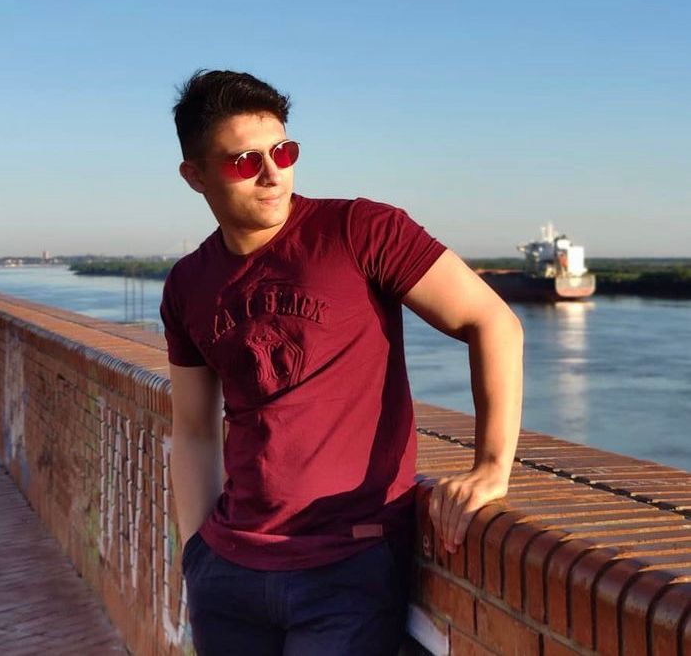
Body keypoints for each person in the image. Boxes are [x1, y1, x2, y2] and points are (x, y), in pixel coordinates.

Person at [160, 69, 523, 655]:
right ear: (194, 176)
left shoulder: (360, 231)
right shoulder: (187, 284)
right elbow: (194, 428)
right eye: (244, 162)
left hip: (347, 566)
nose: (273, 173)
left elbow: (493, 322)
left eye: (283, 151)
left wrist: (491, 466)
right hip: (227, 572)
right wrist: (195, 553)